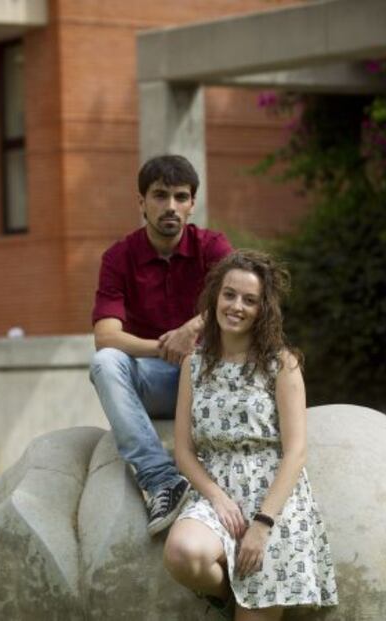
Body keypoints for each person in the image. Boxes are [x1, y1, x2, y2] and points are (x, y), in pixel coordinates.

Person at [163, 250, 338, 620]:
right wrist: (217, 498)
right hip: (217, 492)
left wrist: (262, 524)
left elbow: (296, 453)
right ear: (215, 298)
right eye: (229, 294)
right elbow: (184, 451)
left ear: (263, 309)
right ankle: (231, 592)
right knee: (181, 553)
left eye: (250, 300)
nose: (236, 306)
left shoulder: (281, 364)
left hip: (274, 501)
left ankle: (255, 595)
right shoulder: (193, 366)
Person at [89, 154, 232, 536]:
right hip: (157, 381)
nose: (170, 206)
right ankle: (160, 479)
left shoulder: (213, 247)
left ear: (191, 203)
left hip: (208, 379)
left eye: (180, 196)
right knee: (105, 362)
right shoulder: (119, 258)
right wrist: (165, 346)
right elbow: (106, 335)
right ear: (142, 202)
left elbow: (246, 302)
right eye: (159, 195)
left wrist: (194, 327)